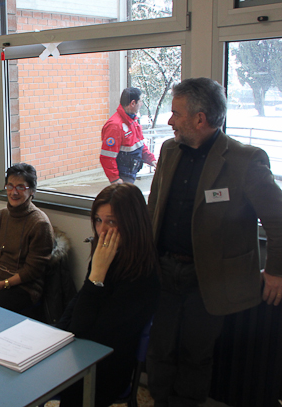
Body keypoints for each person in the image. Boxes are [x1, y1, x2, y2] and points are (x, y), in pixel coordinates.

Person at [147, 77, 282, 407]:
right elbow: (154, 206)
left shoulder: (244, 161)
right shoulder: (169, 150)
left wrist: (276, 272)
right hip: (164, 271)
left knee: (194, 356)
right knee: (160, 351)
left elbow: (278, 220)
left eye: (176, 113)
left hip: (208, 280)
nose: (169, 121)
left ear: (200, 119)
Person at [57, 183, 159, 407]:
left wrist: (97, 274)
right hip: (83, 350)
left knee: (62, 386)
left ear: (132, 223)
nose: (102, 230)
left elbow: (91, 330)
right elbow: (79, 302)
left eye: (111, 222)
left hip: (109, 364)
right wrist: (59, 334)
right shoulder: (105, 253)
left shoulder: (143, 274)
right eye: (98, 220)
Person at [0, 163, 54, 312]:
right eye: (10, 186)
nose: (14, 192)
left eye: (20, 187)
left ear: (32, 191)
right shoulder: (3, 215)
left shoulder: (40, 224)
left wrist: (0, 285)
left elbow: (32, 271)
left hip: (24, 288)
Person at [100, 87, 157, 184]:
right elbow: (107, 156)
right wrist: (115, 179)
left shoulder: (132, 121)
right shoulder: (115, 126)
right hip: (123, 176)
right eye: (140, 101)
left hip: (131, 173)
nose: (141, 104)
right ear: (133, 103)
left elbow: (140, 145)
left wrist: (151, 160)